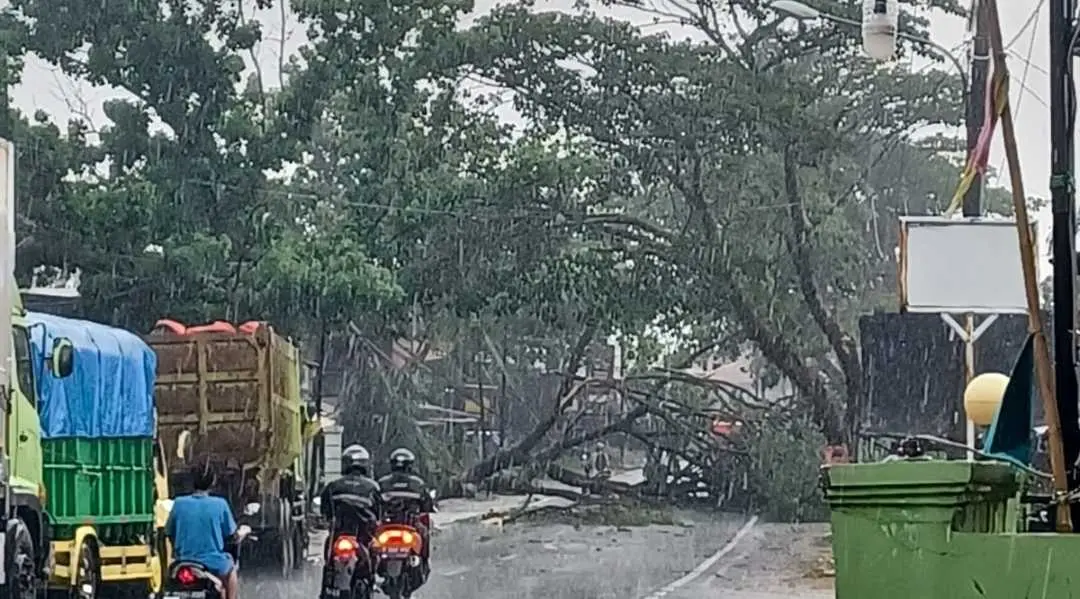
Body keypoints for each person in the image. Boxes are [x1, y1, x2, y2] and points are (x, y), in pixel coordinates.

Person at [165, 463, 250, 599]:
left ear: (192, 481)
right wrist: (242, 534)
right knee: (231, 570)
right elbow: (232, 536)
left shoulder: (179, 503)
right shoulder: (220, 504)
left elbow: (169, 533)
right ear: (213, 482)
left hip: (182, 562)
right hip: (213, 563)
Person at [377, 448, 434, 581]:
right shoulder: (418, 483)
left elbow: (375, 504)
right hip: (410, 525)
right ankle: (425, 562)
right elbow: (427, 505)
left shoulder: (382, 483)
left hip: (387, 525)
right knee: (424, 534)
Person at [319, 444, 383, 548]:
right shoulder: (372, 486)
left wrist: (326, 518)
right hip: (363, 533)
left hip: (338, 531)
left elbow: (324, 507)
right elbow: (378, 510)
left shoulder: (333, 485)